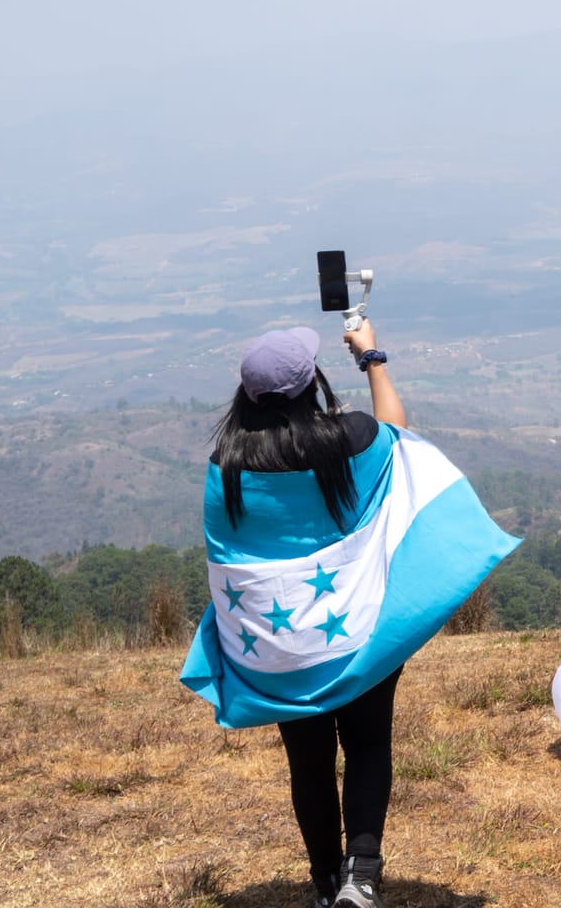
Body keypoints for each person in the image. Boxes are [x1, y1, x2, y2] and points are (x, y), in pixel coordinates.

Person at [179, 319, 517, 908]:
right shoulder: (351, 440)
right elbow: (398, 432)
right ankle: (360, 878)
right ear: (311, 384)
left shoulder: (226, 466)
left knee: (307, 762)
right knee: (366, 745)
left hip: (279, 648)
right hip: (355, 633)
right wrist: (372, 357)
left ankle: (322, 883)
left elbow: (232, 560)